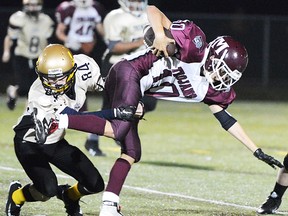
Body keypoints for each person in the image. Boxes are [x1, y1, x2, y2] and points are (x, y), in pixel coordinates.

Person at [40, 6, 284, 216]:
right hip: (129, 71)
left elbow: (225, 119)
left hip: (136, 88)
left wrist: (257, 151)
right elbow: (153, 10)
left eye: (228, 77)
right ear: (214, 58)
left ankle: (109, 204)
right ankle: (59, 119)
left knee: (132, 151)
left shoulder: (210, 89)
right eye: (222, 71)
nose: (223, 80)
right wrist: (159, 35)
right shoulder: (195, 45)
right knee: (122, 123)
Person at [5, 44, 136, 216]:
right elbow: (77, 119)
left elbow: (104, 85)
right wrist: (115, 112)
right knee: (47, 190)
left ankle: (69, 196)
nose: (52, 83)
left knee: (94, 183)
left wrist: (128, 89)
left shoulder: (84, 66)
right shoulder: (39, 95)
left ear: (72, 71)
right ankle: (16, 196)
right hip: (30, 143)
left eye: (58, 78)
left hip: (55, 141)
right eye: (47, 78)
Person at [85, 0, 158, 157]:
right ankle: (92, 140)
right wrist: (142, 41)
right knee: (109, 109)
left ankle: (121, 126)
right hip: (116, 65)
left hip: (140, 66)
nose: (137, 3)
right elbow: (114, 46)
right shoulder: (115, 16)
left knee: (150, 102)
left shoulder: (148, 15)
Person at [55, 0, 107, 156]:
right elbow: (60, 31)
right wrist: (67, 40)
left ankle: (76, 115)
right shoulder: (69, 8)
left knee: (85, 81)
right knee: (69, 82)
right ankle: (62, 112)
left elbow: (101, 30)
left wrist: (109, 41)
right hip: (73, 47)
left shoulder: (95, 8)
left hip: (89, 48)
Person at [1, 0, 54, 110]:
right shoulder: (18, 18)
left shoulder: (46, 20)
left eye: (35, 5)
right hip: (22, 54)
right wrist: (6, 51)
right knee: (24, 87)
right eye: (30, 5)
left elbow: (49, 41)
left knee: (35, 87)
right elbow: (10, 37)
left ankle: (28, 113)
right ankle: (13, 91)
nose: (32, 8)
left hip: (39, 57)